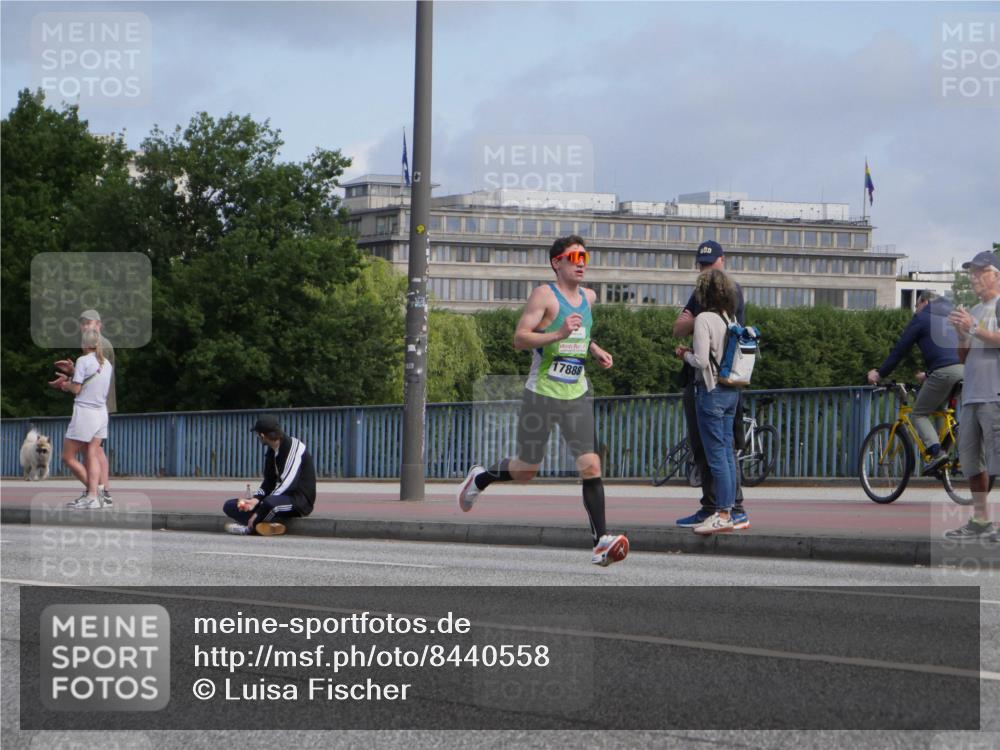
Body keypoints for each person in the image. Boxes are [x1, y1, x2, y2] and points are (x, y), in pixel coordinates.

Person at [457, 235, 629, 567]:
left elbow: (582, 331)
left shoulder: (589, 297)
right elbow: (520, 338)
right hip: (542, 393)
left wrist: (593, 350)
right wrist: (557, 334)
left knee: (590, 465)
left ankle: (600, 543)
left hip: (576, 393)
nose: (581, 263)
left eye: (585, 257)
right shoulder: (544, 295)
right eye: (574, 257)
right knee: (525, 470)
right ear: (557, 263)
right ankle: (481, 476)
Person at [672, 240, 749, 530]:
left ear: (722, 262)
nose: (704, 271)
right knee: (724, 451)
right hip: (730, 385)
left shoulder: (706, 314)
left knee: (715, 451)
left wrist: (685, 352)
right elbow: (679, 326)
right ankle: (725, 509)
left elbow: (696, 352)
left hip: (710, 387)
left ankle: (726, 510)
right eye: (701, 265)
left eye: (708, 265)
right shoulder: (726, 314)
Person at [866, 290, 964, 475]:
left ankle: (937, 454)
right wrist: (928, 374)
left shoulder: (922, 318)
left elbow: (900, 349)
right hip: (965, 370)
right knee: (940, 411)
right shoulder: (952, 316)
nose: (915, 310)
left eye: (916, 305)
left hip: (944, 373)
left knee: (919, 413)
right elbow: (947, 351)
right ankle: (945, 459)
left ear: (924, 302)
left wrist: (880, 373)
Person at [944, 251, 1000, 540]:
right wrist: (962, 335)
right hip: (973, 395)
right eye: (972, 272)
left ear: (996, 274)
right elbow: (964, 358)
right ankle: (980, 521)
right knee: (971, 462)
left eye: (981, 271)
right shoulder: (976, 310)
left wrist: (974, 329)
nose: (974, 277)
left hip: (995, 395)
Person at [54, 309, 116, 507]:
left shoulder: (85, 359)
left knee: (70, 456)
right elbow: (93, 377)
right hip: (101, 411)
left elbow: (78, 388)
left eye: (88, 323)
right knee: (92, 452)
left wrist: (64, 384)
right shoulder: (105, 362)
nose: (85, 327)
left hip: (86, 411)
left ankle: (96, 494)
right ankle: (97, 495)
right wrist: (74, 372)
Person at [223, 415, 316, 536]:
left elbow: (287, 484)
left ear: (262, 436)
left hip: (298, 502)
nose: (257, 437)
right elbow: (269, 481)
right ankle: (265, 525)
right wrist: (255, 500)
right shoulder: (271, 451)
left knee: (269, 503)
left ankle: (250, 527)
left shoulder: (294, 448)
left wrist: (261, 506)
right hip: (277, 499)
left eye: (257, 434)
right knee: (231, 505)